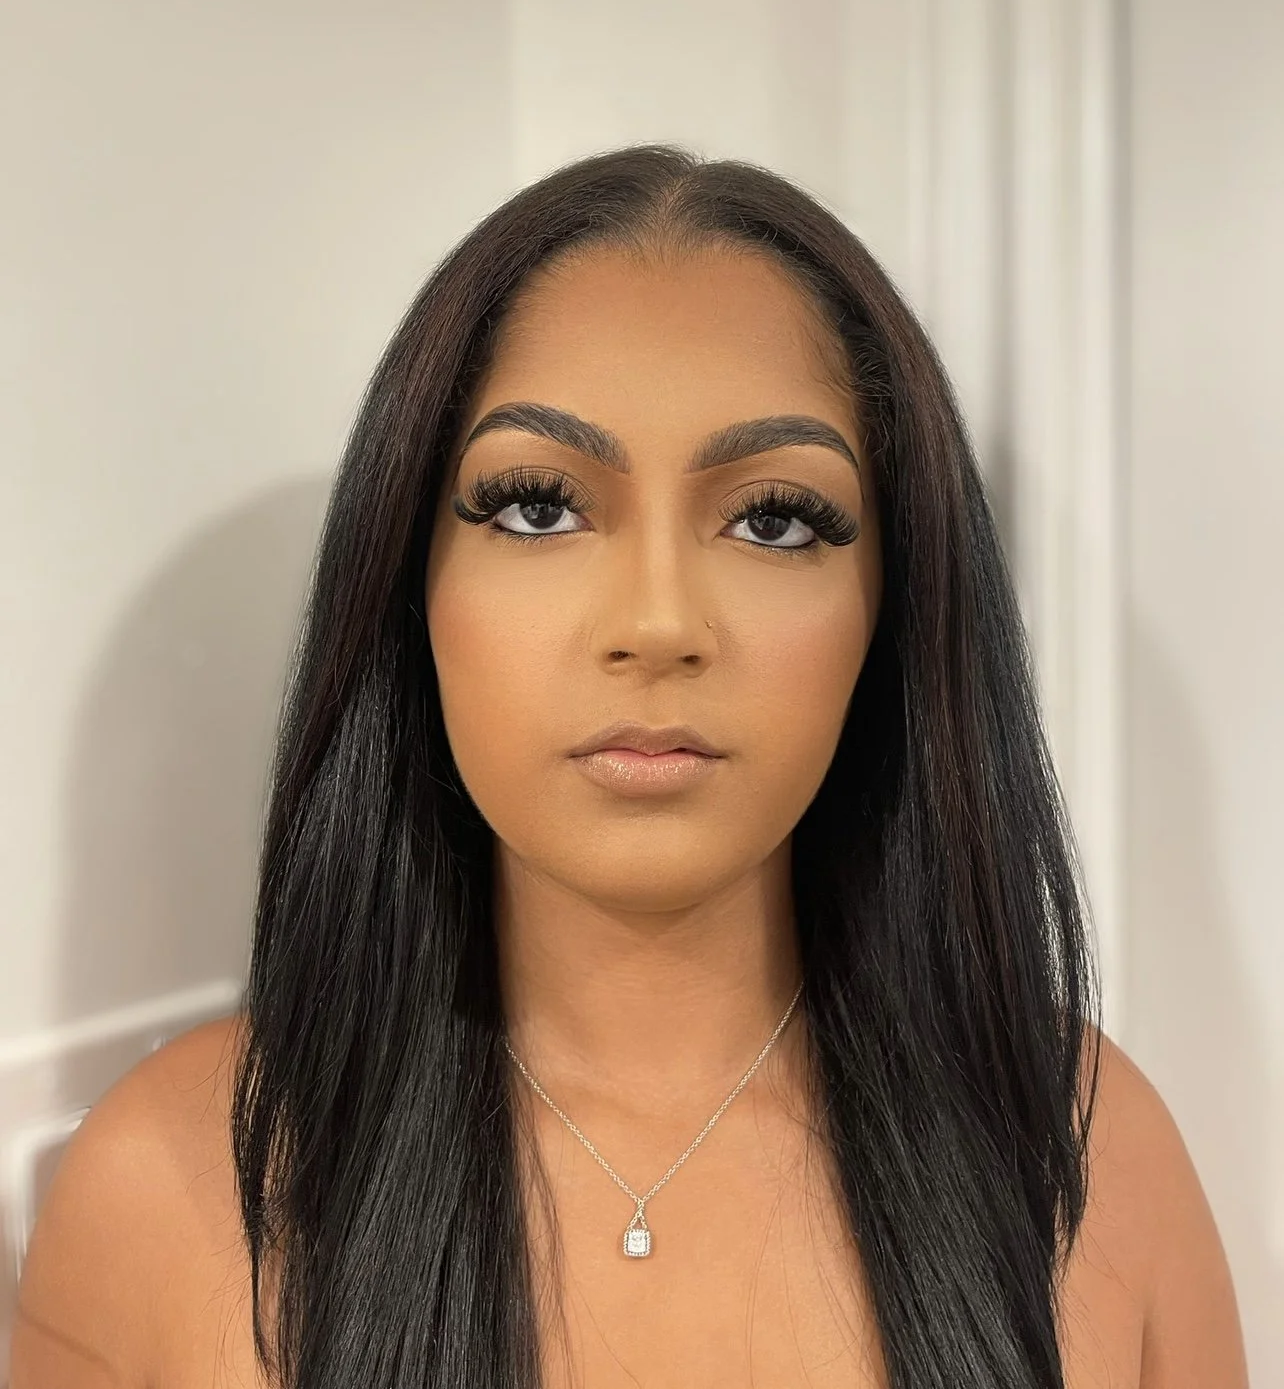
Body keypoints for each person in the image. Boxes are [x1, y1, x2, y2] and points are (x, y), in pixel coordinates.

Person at [10, 145, 1248, 1389]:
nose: (658, 622)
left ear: (892, 608)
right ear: (407, 588)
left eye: (774, 518)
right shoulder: (164, 1194)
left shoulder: (1087, 1153)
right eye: (540, 505)